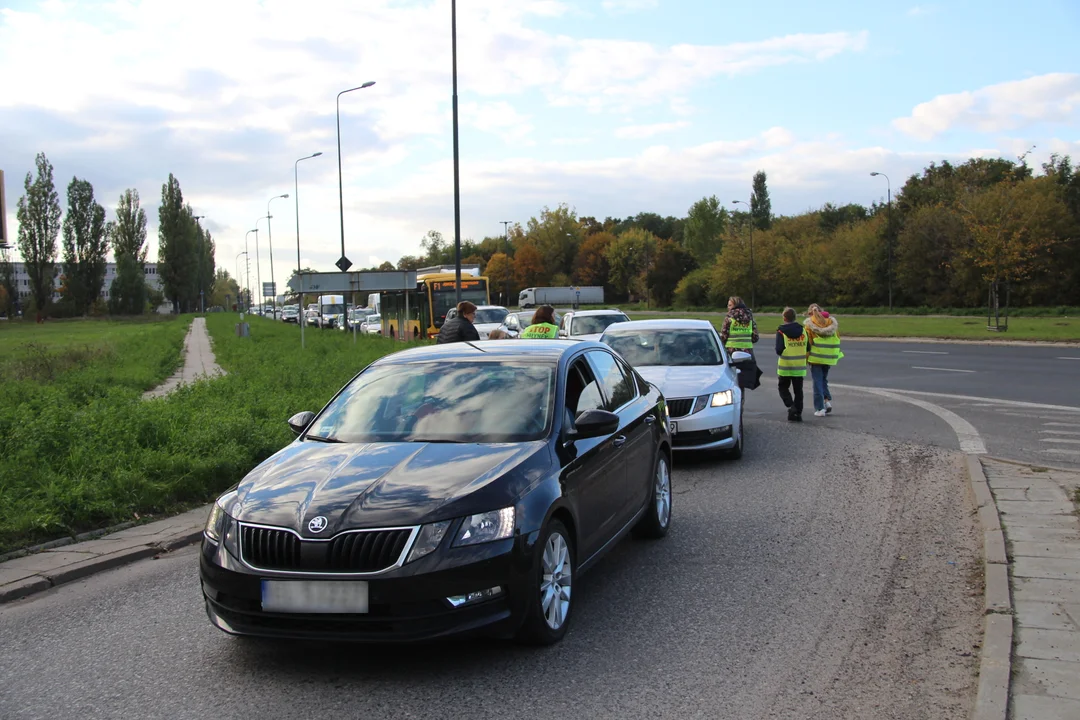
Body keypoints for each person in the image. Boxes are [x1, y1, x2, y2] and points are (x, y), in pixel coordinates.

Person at [804, 303, 843, 417]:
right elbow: (837, 337)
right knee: (823, 380)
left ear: (810, 313)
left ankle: (820, 408)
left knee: (817, 382)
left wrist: (806, 358)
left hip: (816, 357)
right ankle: (826, 401)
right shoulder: (831, 323)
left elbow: (809, 343)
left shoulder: (809, 325)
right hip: (829, 357)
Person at [775, 307, 807, 422]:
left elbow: (778, 349)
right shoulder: (803, 331)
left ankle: (791, 406)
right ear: (795, 317)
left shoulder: (781, 332)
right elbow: (808, 347)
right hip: (799, 366)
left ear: (784, 318)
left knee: (783, 387)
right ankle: (798, 413)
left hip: (786, 366)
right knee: (798, 391)